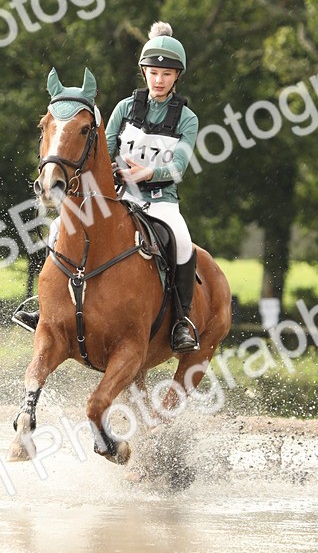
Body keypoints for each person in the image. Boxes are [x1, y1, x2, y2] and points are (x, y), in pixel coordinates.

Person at [13, 21, 200, 352]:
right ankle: (45, 307)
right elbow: (104, 152)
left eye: (167, 74)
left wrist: (147, 174)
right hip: (116, 197)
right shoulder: (125, 109)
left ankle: (181, 321)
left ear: (176, 77)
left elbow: (178, 166)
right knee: (58, 227)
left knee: (182, 242)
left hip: (160, 201)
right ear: (144, 73)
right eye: (154, 73)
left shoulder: (186, 118)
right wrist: (112, 173)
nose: (159, 80)